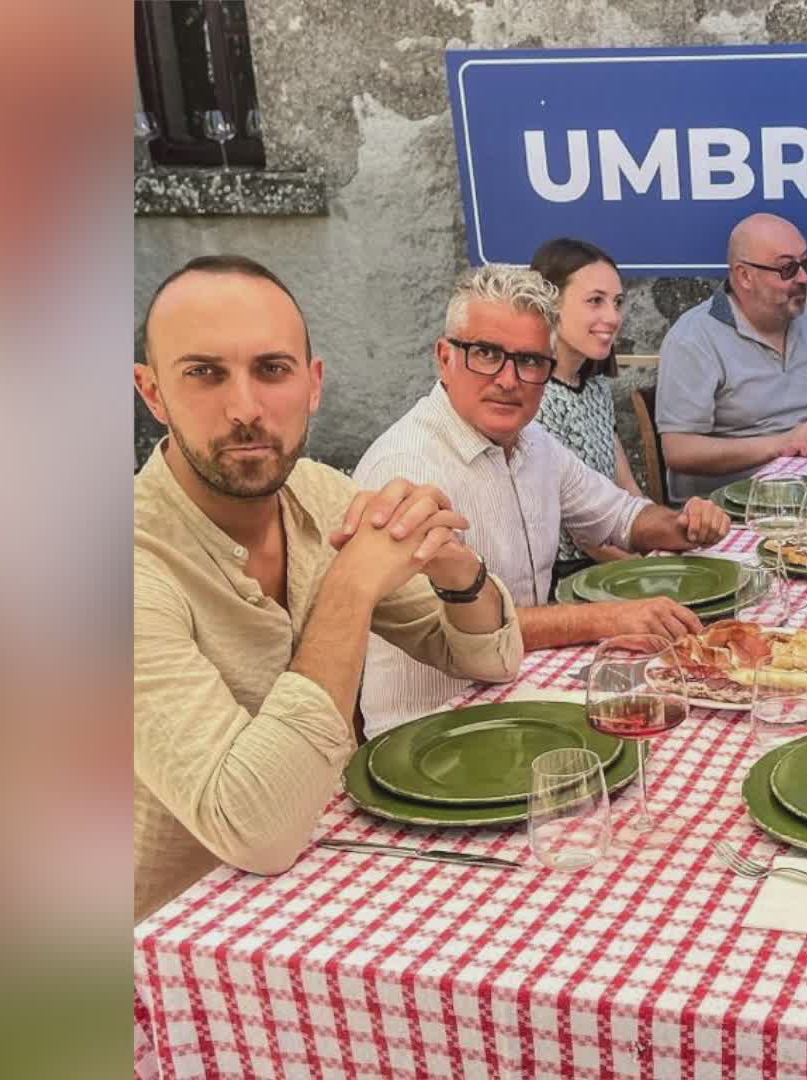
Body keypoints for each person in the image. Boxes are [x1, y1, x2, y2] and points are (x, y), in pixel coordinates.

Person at [134, 255, 524, 920]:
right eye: (204, 374)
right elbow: (256, 827)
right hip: (171, 957)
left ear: (313, 384)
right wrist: (353, 584)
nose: (245, 409)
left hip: (328, 886)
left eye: (271, 370)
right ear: (152, 393)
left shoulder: (319, 492)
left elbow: (491, 659)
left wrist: (455, 568)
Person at [354, 263, 731, 736]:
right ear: (444, 357)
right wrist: (612, 617)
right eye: (487, 353)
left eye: (530, 361)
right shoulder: (406, 466)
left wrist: (686, 524)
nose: (510, 379)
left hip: (522, 694)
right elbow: (454, 629)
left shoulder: (534, 442)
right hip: (432, 730)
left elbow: (620, 515)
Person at [655, 212, 807, 502]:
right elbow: (680, 452)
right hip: (730, 506)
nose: (804, 278)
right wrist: (783, 444)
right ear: (744, 276)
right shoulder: (694, 338)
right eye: (787, 269)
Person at [528, 237, 648, 582]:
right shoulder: (535, 400)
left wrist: (663, 538)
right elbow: (581, 533)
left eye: (617, 302)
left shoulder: (595, 388)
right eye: (595, 301)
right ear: (550, 305)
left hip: (616, 559)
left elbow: (627, 487)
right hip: (570, 577)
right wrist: (650, 567)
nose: (612, 317)